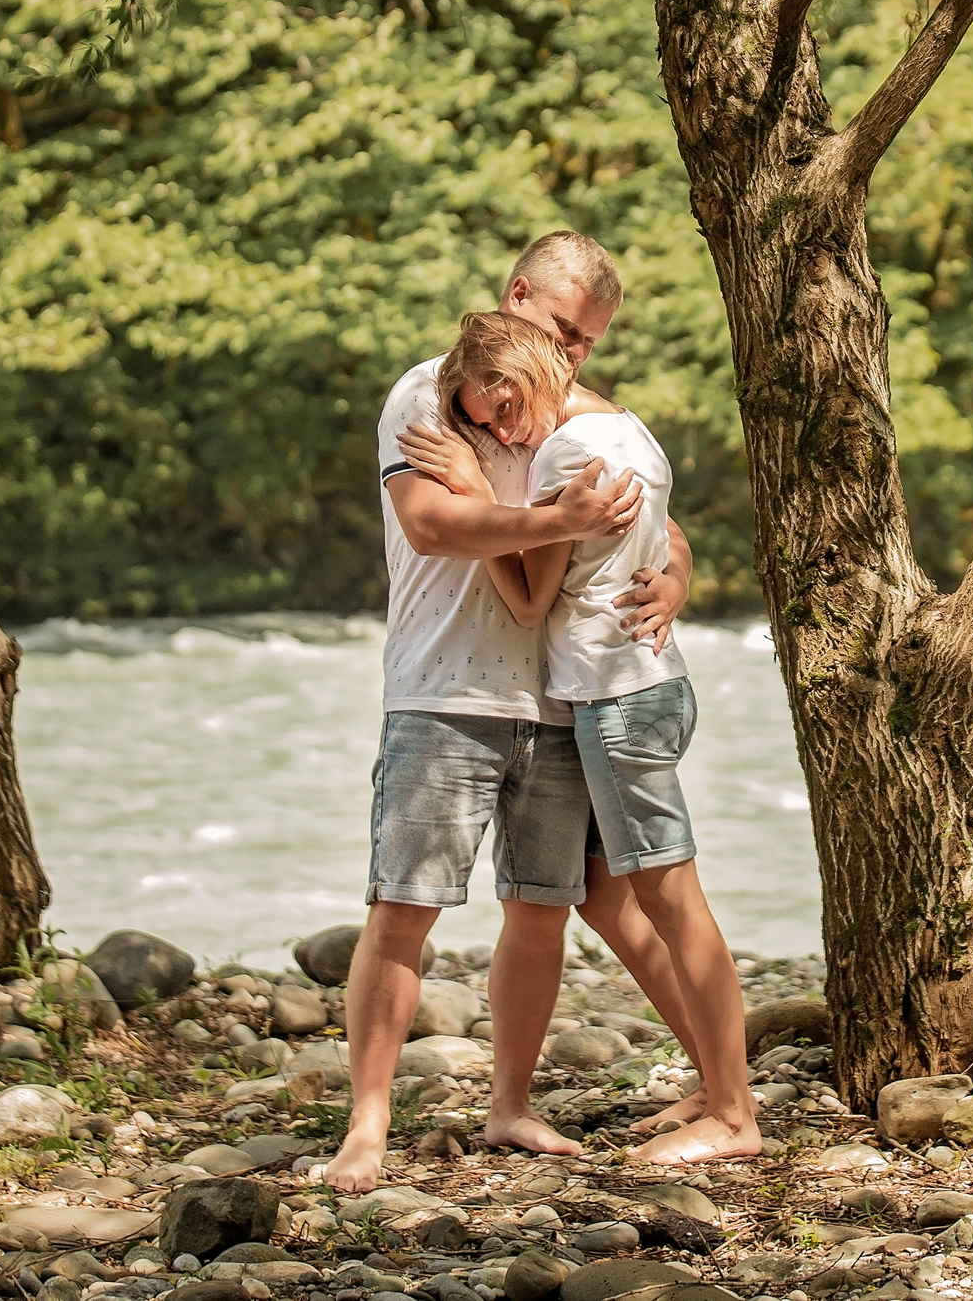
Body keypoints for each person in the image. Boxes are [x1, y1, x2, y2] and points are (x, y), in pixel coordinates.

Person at [322, 233, 698, 1193]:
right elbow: (432, 525)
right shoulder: (431, 392)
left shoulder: (571, 414)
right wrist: (553, 523)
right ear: (518, 294)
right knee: (401, 907)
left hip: (560, 694)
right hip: (443, 691)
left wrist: (678, 575)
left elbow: (654, 516)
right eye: (564, 330)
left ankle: (512, 1105)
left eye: (587, 343)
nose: (572, 355)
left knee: (544, 910)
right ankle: (367, 1126)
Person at [401, 312, 762, 1165]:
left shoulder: (565, 456)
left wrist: (476, 494)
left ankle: (735, 1116)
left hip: (616, 698)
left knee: (675, 900)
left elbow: (527, 603)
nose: (498, 429)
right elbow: (660, 541)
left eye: (501, 407)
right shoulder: (629, 430)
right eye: (483, 424)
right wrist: (673, 578)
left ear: (532, 369)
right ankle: (717, 1089)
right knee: (621, 896)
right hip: (651, 683)